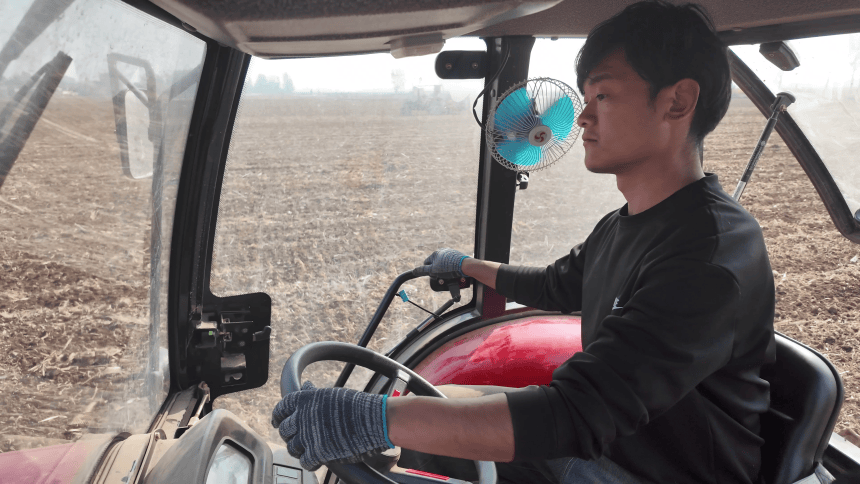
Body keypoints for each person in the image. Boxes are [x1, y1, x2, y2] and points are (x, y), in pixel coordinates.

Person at [271, 1, 776, 483]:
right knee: (432, 419)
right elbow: (558, 284)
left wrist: (374, 419)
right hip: (617, 442)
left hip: (657, 471)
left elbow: (578, 414)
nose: (583, 117)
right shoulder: (626, 224)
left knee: (422, 433)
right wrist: (467, 265)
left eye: (602, 96)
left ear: (677, 102)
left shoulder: (710, 256)